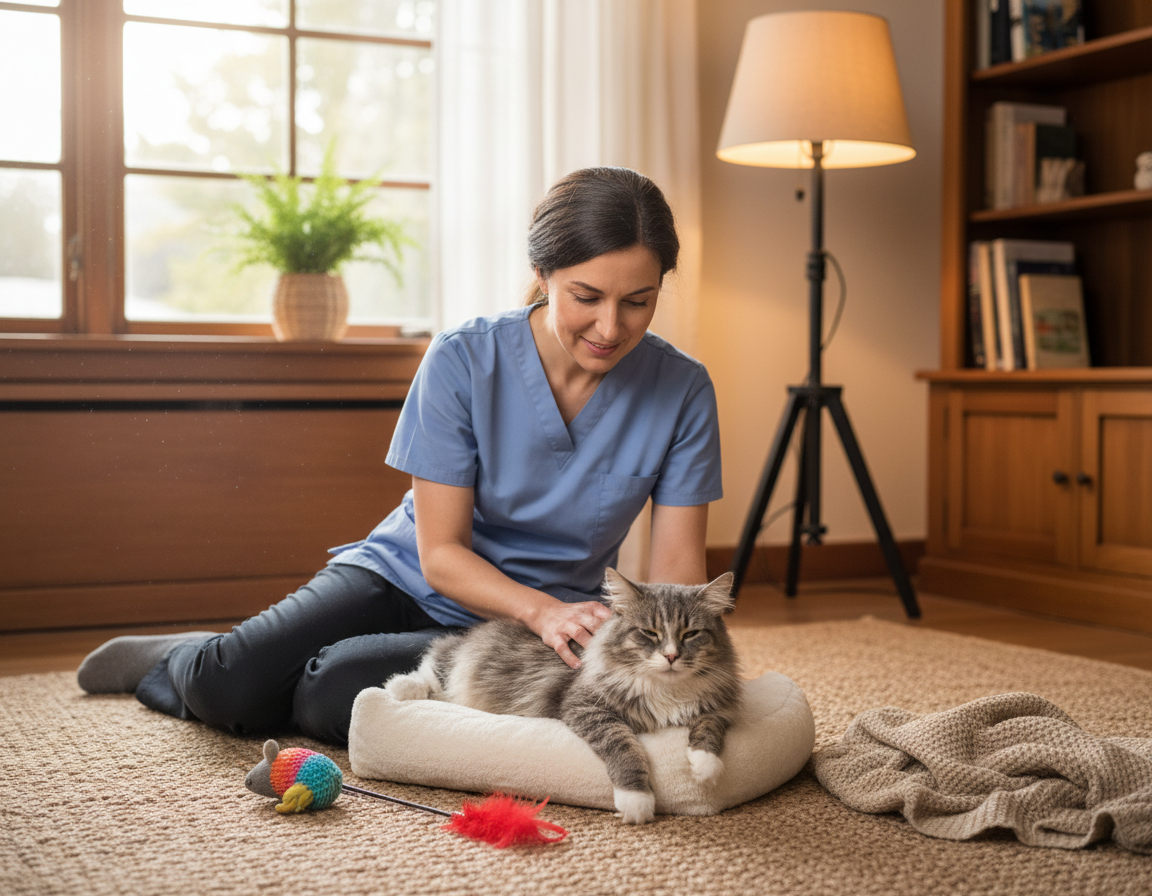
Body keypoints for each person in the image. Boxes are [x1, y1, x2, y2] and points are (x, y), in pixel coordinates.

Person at [77, 166, 723, 745]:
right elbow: (440, 554)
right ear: (544, 275)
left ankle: (285, 669)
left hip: (527, 635)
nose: (611, 327)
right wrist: (541, 607)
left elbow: (675, 580)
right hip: (404, 577)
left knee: (332, 695)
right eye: (587, 296)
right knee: (230, 688)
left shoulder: (683, 389)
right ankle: (194, 658)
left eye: (637, 301)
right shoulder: (464, 358)